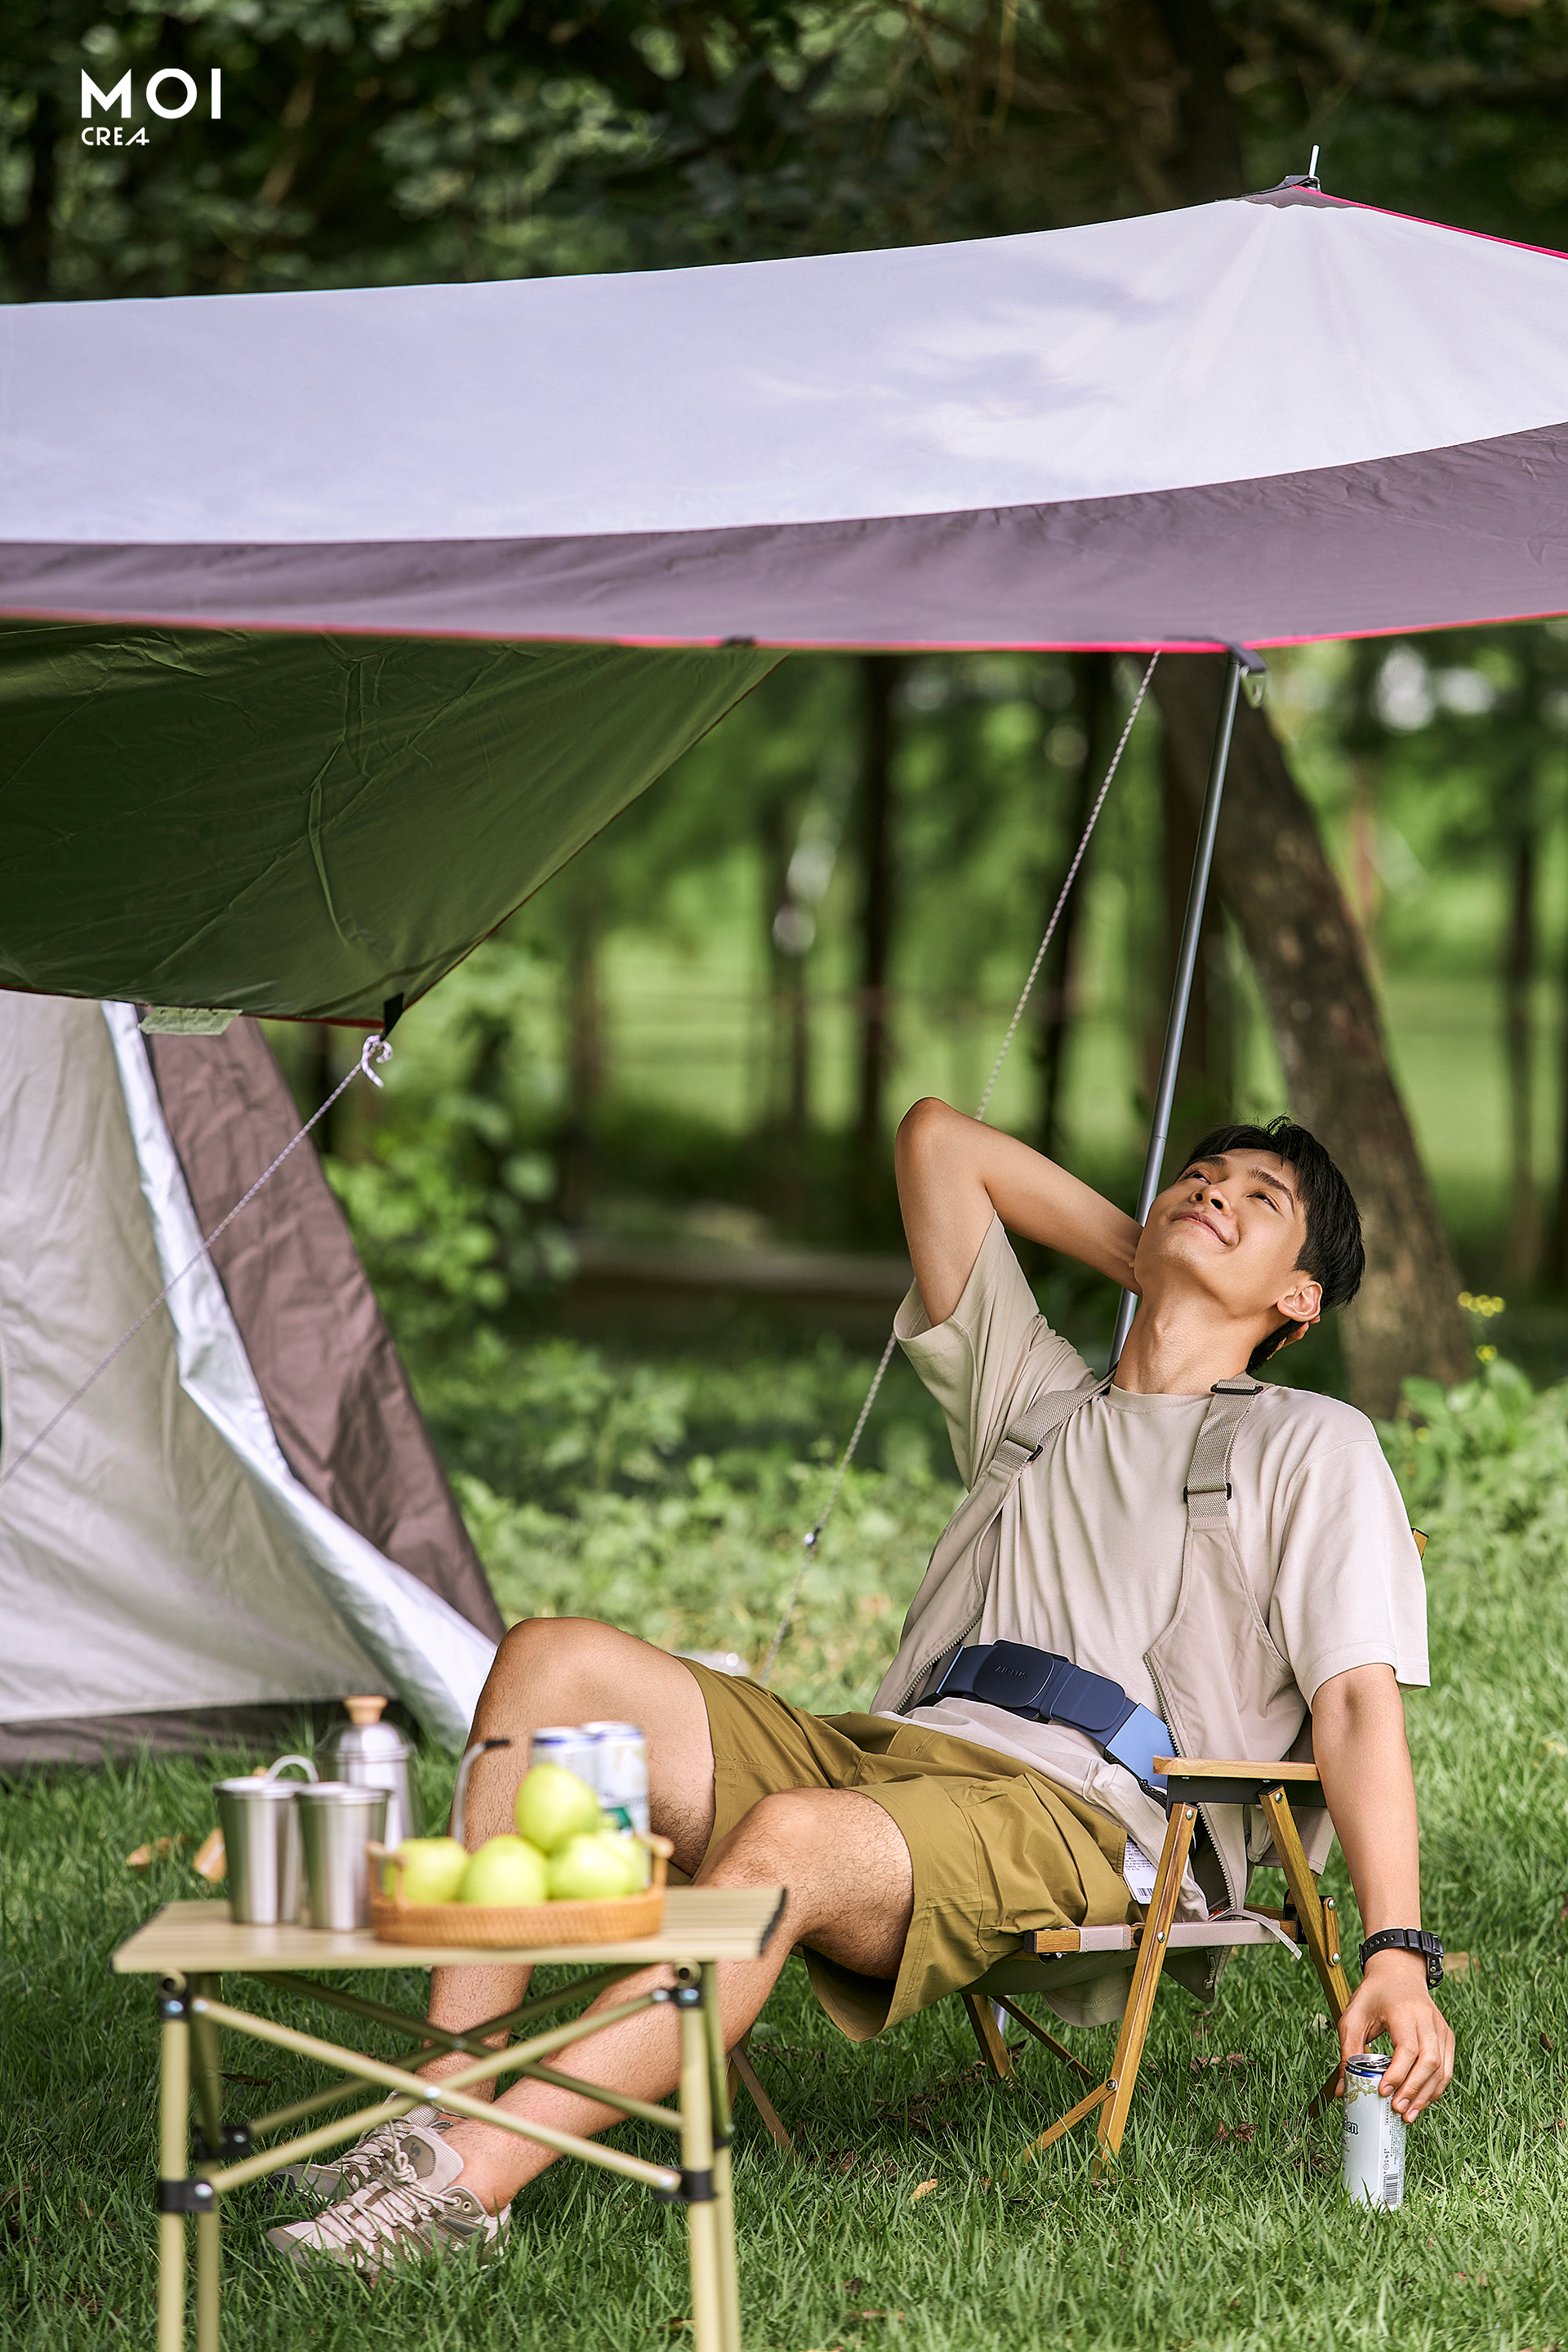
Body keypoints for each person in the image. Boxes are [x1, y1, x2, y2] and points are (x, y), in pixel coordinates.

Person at [270, 1103, 1454, 2272]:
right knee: (549, 1660)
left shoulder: (1311, 1443)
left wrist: (1395, 1948)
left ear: (1300, 1302)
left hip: (1090, 1816)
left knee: (792, 1841)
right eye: (1200, 1177)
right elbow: (941, 1143)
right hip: (897, 1755)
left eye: (1260, 1203)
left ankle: (464, 2191)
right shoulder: (1034, 1397)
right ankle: (433, 2106)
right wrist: (1153, 1256)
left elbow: (1355, 1703)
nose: (1214, 1194)